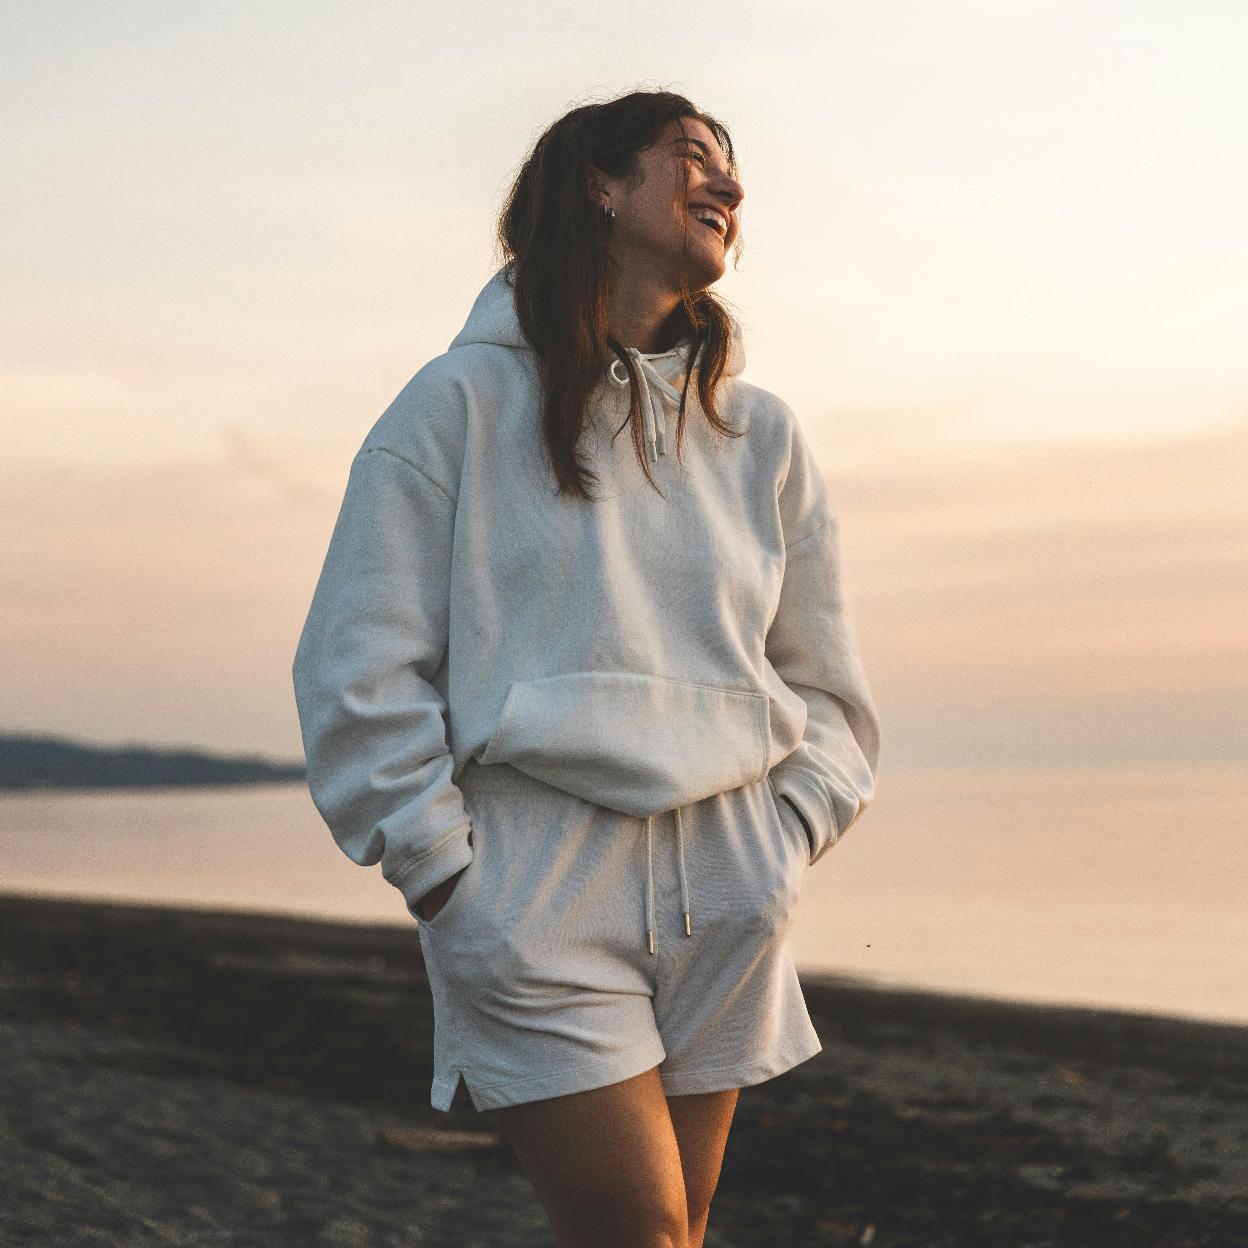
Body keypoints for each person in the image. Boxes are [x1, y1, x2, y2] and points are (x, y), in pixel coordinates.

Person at [292, 89, 882, 1248]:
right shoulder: (455, 404)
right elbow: (358, 667)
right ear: (600, 187)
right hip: (536, 886)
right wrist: (449, 875)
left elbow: (829, 686)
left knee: (683, 1226)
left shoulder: (761, 434)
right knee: (639, 1233)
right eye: (692, 158)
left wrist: (789, 831)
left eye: (731, 167)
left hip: (731, 876)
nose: (729, 184)